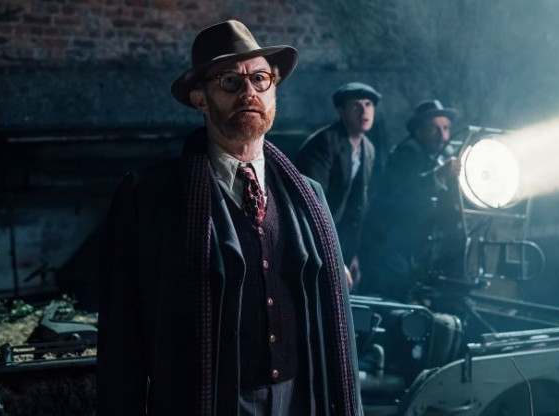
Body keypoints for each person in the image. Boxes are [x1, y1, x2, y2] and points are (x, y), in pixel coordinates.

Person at [97, 20, 362, 416]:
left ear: (274, 90)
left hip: (301, 398)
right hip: (207, 401)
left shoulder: (308, 195)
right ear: (200, 99)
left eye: (260, 79)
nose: (249, 92)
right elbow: (121, 335)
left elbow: (338, 323)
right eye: (230, 81)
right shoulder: (148, 196)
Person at [360, 99, 463, 301]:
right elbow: (403, 195)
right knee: (395, 299)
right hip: (392, 247)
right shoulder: (405, 155)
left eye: (446, 128)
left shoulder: (440, 157)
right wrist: (438, 176)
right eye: (434, 129)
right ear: (418, 131)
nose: (442, 136)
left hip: (422, 249)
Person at [295, 82, 381, 290]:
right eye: (355, 106)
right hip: (310, 238)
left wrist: (351, 254)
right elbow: (312, 206)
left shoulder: (368, 148)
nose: (364, 111)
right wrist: (333, 257)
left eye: (368, 104)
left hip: (339, 241)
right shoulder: (323, 143)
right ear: (341, 111)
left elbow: (356, 208)